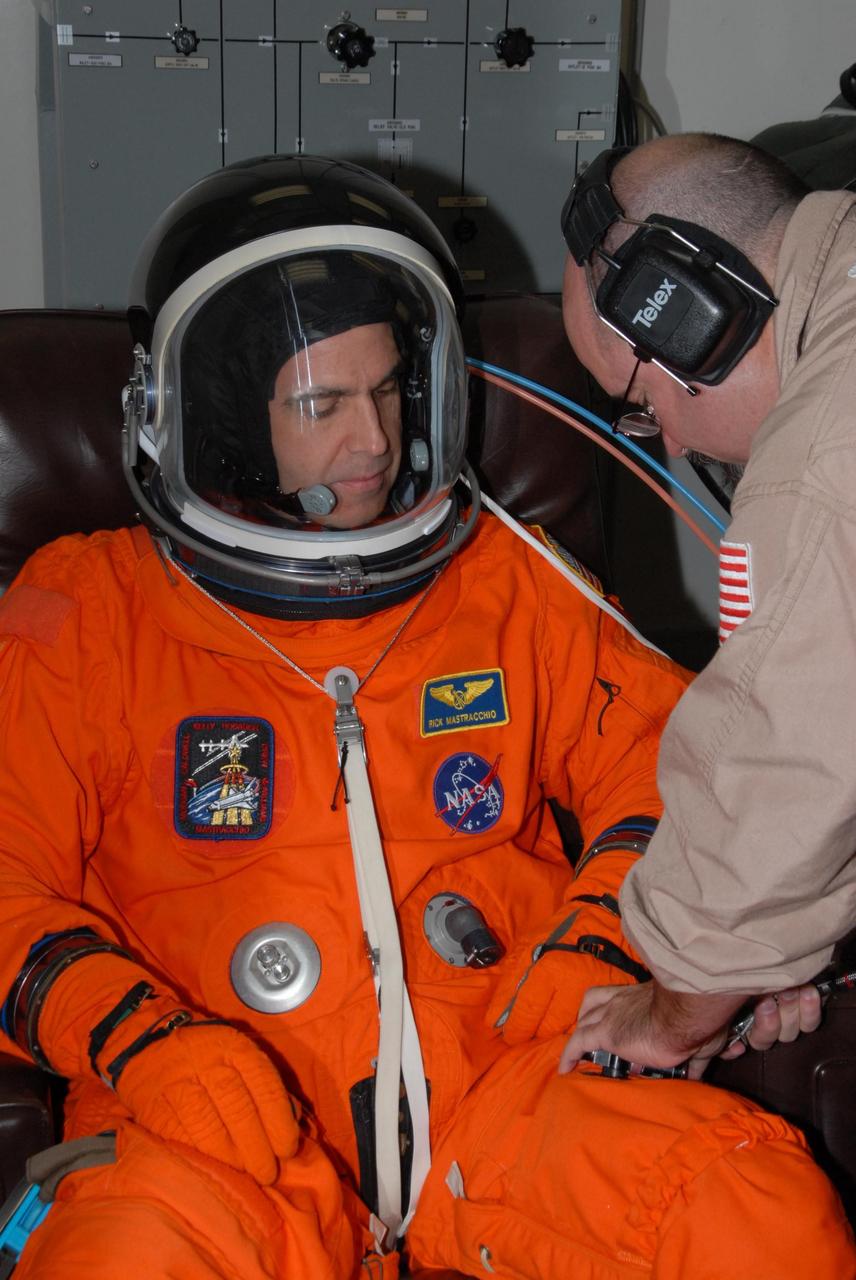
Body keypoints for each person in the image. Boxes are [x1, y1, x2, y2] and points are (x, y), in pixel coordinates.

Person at [1, 154, 853, 1280]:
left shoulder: (508, 577)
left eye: (389, 391)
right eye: (321, 404)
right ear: (217, 414)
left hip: (511, 1083)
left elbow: (677, 774)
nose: (371, 440)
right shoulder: (86, 612)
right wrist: (137, 1038)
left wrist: (596, 942)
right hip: (216, 1124)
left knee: (758, 1212)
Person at [559, 132, 856, 1078]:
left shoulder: (821, 464)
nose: (676, 447)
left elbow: (783, 755)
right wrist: (782, 947)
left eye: (644, 403)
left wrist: (680, 1005)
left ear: (695, 316)